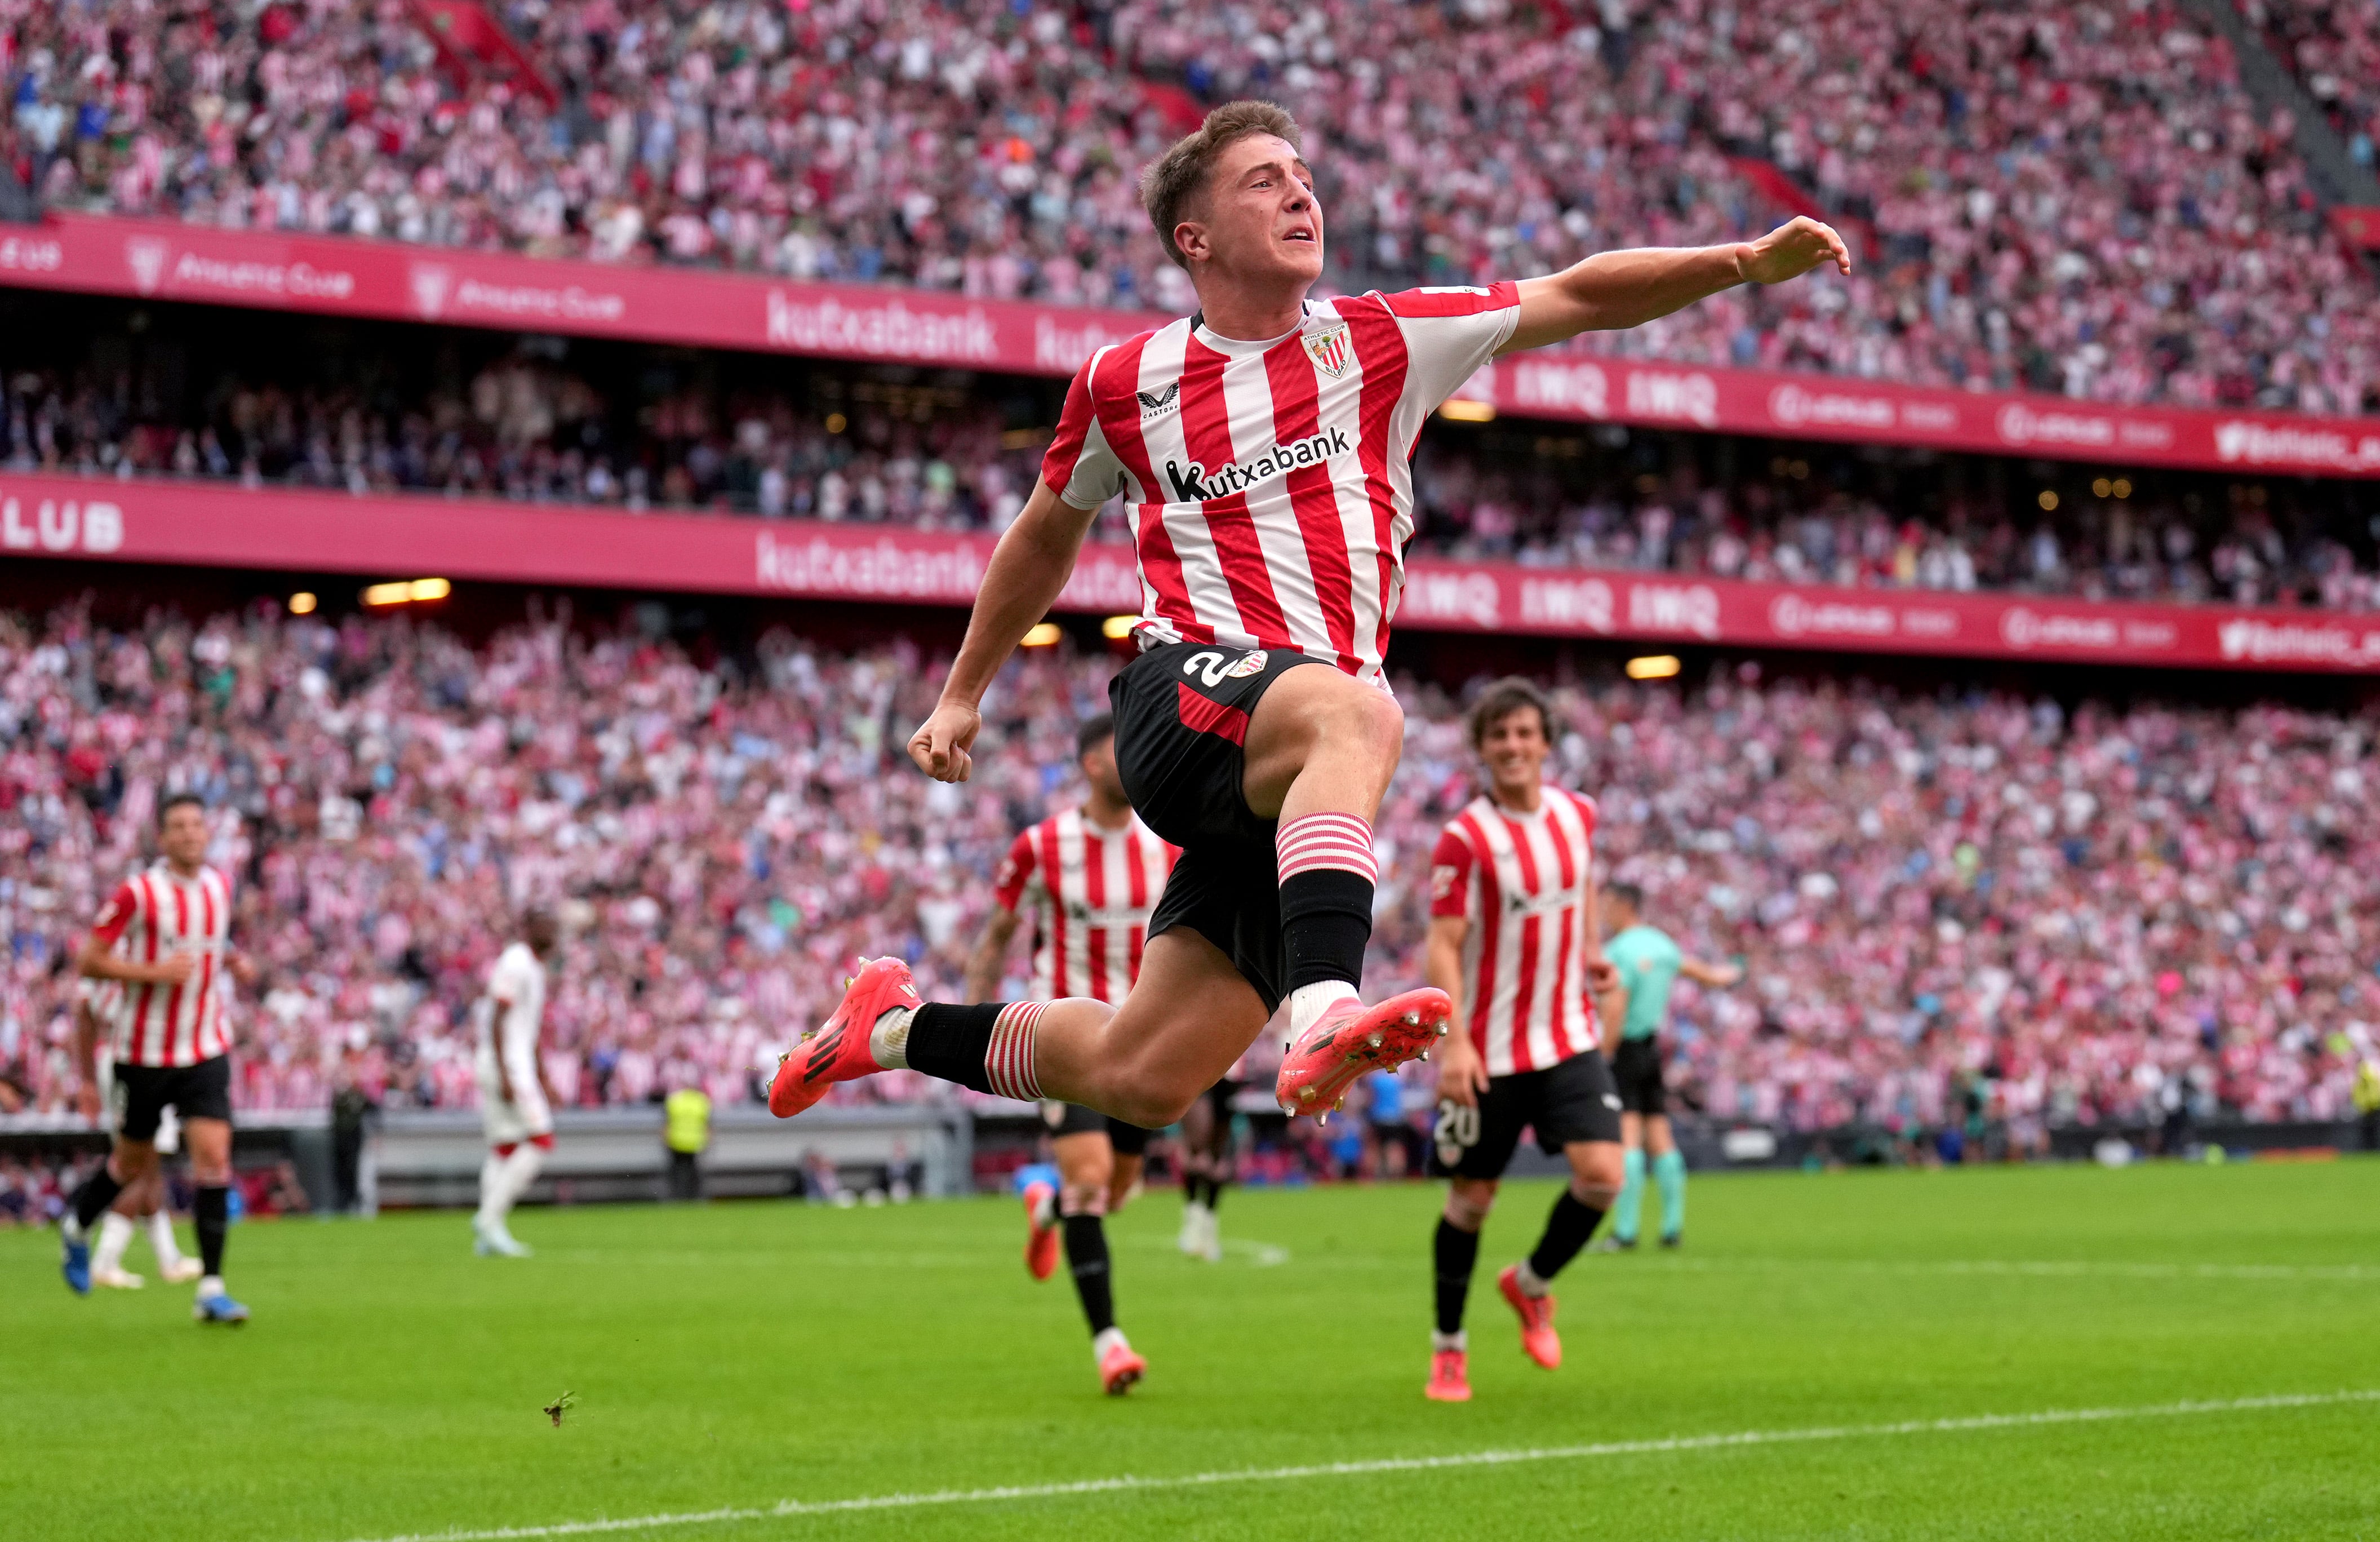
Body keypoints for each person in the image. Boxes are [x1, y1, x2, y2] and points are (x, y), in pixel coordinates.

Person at [768, 100, 1848, 1162]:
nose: (1300, 192)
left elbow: (1571, 293)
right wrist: (962, 691)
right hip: (1181, 696)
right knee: (1358, 711)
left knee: (1142, 1076)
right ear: (1193, 238)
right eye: (1264, 180)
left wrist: (1739, 264)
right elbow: (1041, 535)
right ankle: (1322, 1004)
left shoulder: (1382, 341)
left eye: (1304, 176)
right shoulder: (1122, 381)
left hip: (1284, 761)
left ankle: (889, 1028)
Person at [1419, 679, 1627, 1402]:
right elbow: (1443, 946)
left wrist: (1591, 951)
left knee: (1604, 1174)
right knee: (1472, 1200)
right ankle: (1449, 1347)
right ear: (1482, 749)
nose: (1513, 746)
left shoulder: (1579, 815)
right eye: (1498, 735)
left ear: (1545, 743)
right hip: (1490, 1046)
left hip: (1567, 1032)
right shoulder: (1466, 839)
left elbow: (1583, 892)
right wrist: (1454, 1045)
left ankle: (1530, 1285)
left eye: (1524, 733)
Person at [960, 716, 1175, 1394]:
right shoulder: (1042, 846)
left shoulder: (1168, 845)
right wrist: (973, 1031)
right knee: (1090, 1177)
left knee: (1118, 1191)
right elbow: (997, 937)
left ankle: (1045, 1208)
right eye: (1122, 747)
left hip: (1141, 1037)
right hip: (1061, 1033)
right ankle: (1110, 1343)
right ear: (1089, 763)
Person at [60, 793, 256, 1324]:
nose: (191, 834)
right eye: (179, 827)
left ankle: (211, 1289)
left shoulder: (220, 885)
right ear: (163, 838)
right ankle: (76, 1228)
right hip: (142, 1051)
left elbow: (208, 944)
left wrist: (235, 963)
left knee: (214, 1158)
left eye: (198, 824)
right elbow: (89, 960)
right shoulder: (139, 893)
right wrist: (152, 974)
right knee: (130, 1164)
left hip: (205, 1045)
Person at [1595, 883, 1743, 1251]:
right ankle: (1672, 1227)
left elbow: (1616, 1006)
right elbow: (1704, 973)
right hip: (1651, 1050)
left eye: (1608, 904)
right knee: (1660, 1137)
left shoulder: (1619, 951)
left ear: (1624, 906)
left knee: (1627, 1137)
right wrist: (1733, 973)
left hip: (1625, 1050)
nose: (1603, 911)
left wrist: (1602, 1057)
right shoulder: (1661, 944)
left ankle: (1626, 1232)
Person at [71, 977, 202, 1290]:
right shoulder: (139, 962)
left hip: (124, 1061)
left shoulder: (105, 965)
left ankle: (169, 1258)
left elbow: (86, 1011)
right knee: (139, 1165)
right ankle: (104, 1260)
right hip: (140, 1063)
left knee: (148, 1166)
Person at [472, 909, 560, 1257]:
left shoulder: (535, 968)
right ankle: (489, 1219)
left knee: (505, 1146)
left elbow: (531, 1029)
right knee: (540, 1138)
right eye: (546, 926)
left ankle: (487, 1235)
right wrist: (506, 1072)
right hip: (506, 1064)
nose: (552, 934)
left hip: (514, 1063)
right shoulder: (516, 961)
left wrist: (543, 1074)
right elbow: (497, 1016)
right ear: (529, 929)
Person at [1174, 1073, 1237, 1263]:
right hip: (1202, 1075)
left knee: (1217, 1163)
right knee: (1198, 1153)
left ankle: (1208, 1227)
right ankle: (1193, 1221)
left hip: (1230, 1079)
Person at [664, 1081, 712, 1201]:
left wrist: (666, 1139)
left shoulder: (675, 1100)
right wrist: (707, 1140)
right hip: (694, 1141)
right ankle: (695, 1197)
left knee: (677, 1173)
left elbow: (667, 1123)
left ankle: (677, 1197)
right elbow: (707, 1123)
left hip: (677, 1141)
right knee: (694, 1173)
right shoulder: (701, 1100)